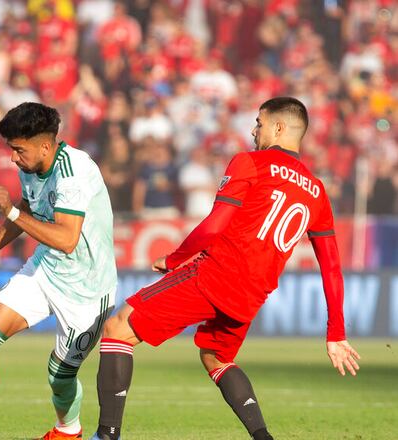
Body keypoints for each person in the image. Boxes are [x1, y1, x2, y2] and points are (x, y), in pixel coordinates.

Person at [90, 97, 361, 440]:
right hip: (251, 295)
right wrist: (336, 332)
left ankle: (106, 435)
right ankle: (263, 438)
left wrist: (174, 259)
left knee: (117, 328)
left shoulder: (250, 162)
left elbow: (215, 225)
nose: (253, 130)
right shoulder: (317, 190)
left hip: (214, 276)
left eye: (259, 123)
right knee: (216, 358)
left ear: (278, 127)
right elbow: (332, 266)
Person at [0, 102, 117, 439]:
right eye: (11, 149)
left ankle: (67, 430)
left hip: (88, 290)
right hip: (45, 270)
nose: (13, 158)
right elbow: (27, 209)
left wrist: (14, 214)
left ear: (45, 145)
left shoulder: (74, 172)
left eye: (18, 150)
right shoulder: (30, 167)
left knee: (59, 376)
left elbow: (67, 239)